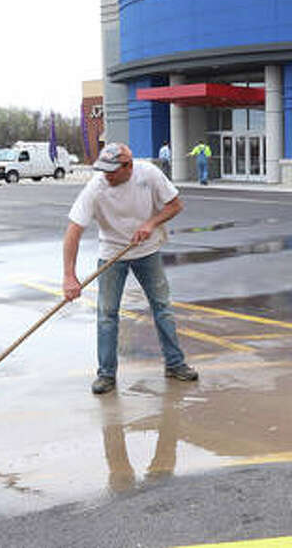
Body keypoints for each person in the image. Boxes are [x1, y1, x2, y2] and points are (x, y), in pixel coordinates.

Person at [63, 142, 198, 394]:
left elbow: (176, 205)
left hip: (147, 251)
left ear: (128, 166)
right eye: (104, 170)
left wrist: (151, 223)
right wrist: (69, 276)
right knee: (107, 314)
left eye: (112, 170)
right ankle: (106, 375)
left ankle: (175, 364)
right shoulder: (96, 187)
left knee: (162, 308)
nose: (107, 175)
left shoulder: (149, 175)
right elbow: (74, 230)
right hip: (112, 253)